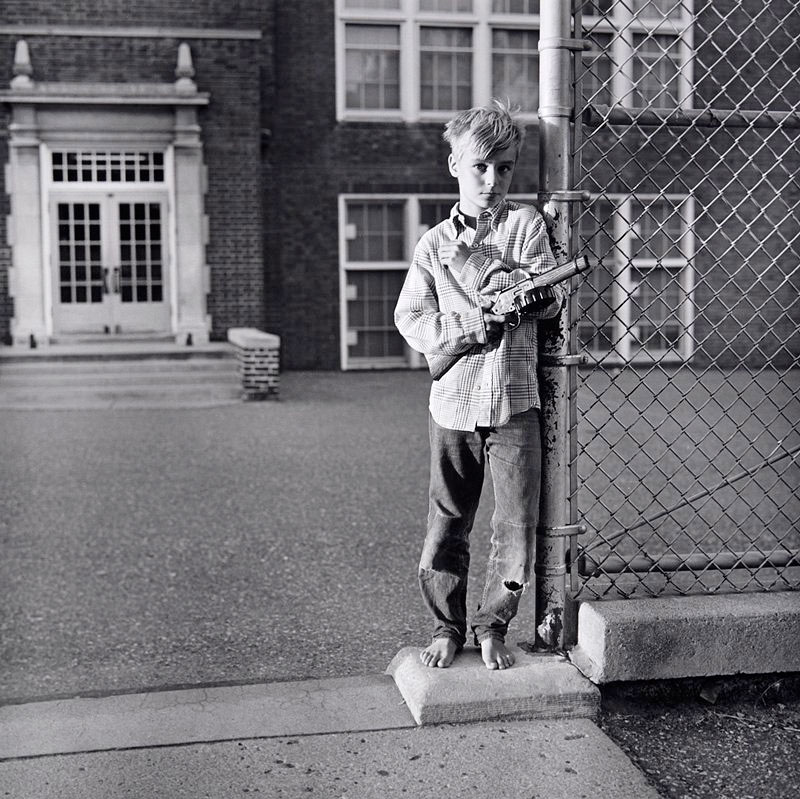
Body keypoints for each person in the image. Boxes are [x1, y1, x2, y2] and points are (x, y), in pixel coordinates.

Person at [394, 100, 563, 671]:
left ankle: (493, 625)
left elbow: (550, 299)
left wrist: (518, 295)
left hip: (515, 401)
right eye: (480, 168)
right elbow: (412, 318)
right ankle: (446, 626)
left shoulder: (528, 227)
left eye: (505, 168)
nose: (492, 181)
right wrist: (472, 324)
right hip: (455, 400)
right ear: (454, 167)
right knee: (448, 520)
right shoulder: (435, 243)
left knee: (515, 525)